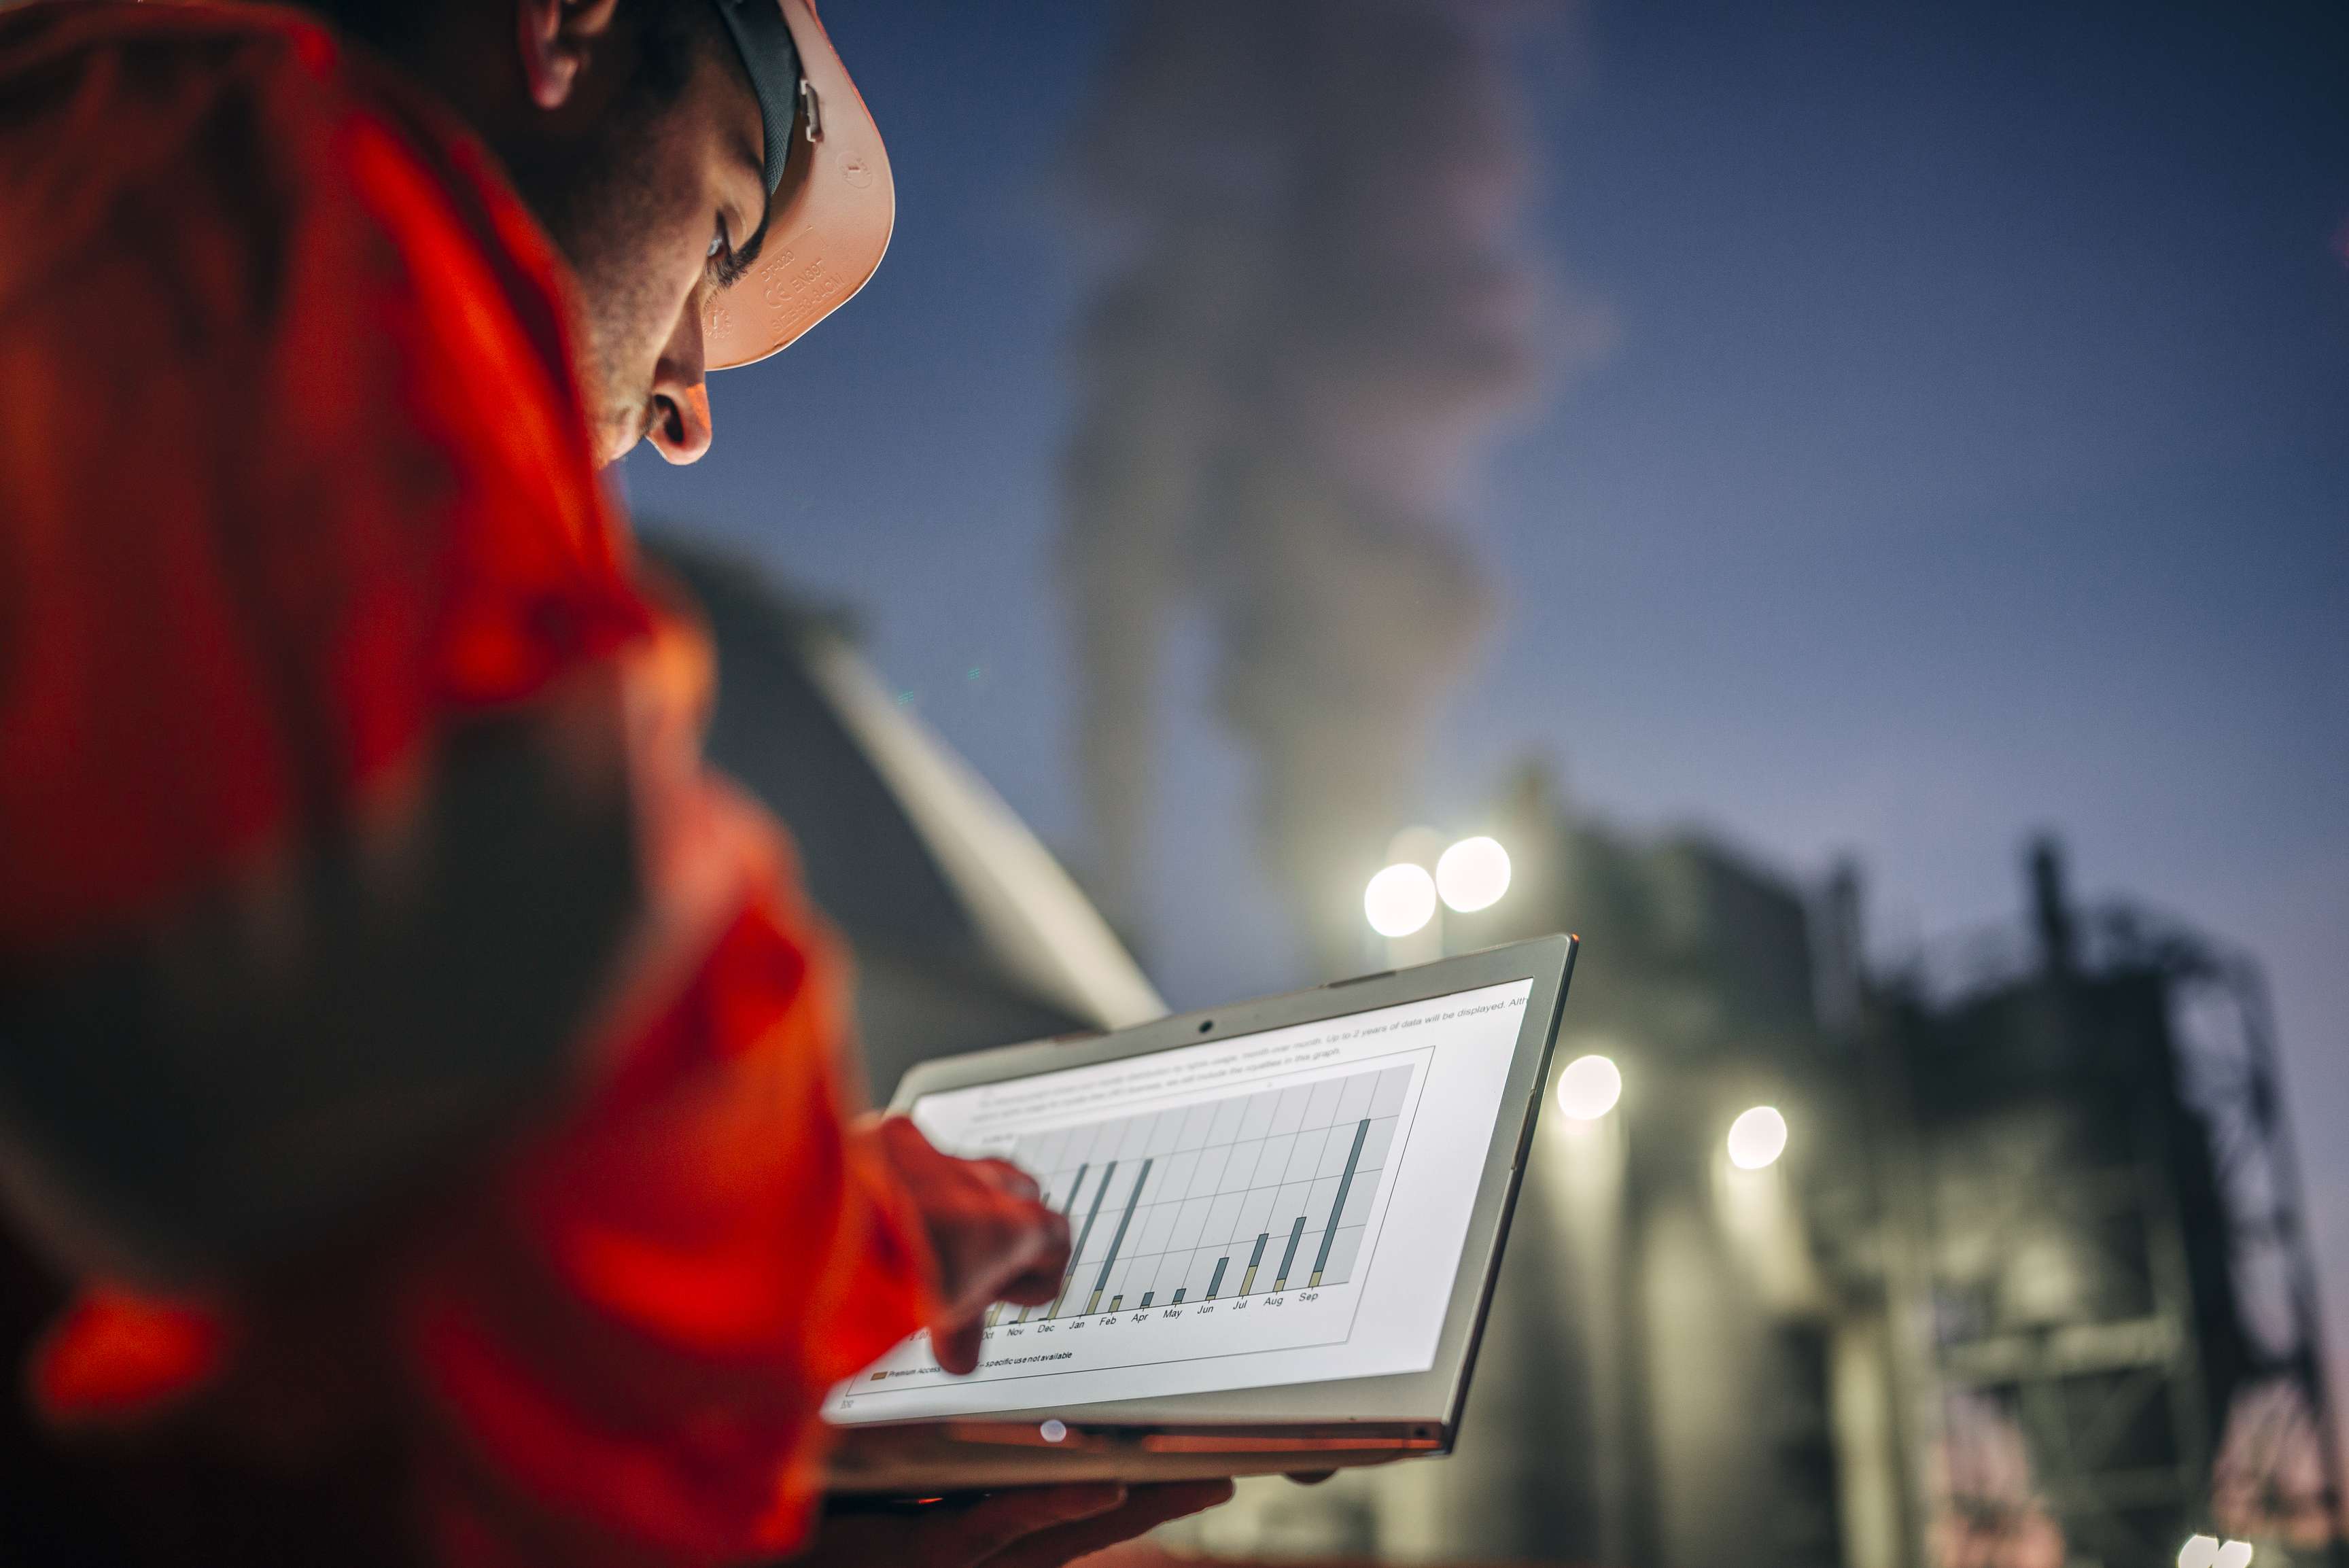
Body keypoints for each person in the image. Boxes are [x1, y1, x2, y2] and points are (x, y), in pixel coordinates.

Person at [0, 0, 1231, 1562]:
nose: (693, 403)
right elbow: (526, 1112)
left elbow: (283, 1231)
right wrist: (864, 1246)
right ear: (569, 25)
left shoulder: (85, 164)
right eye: (721, 234)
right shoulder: (215, 172)